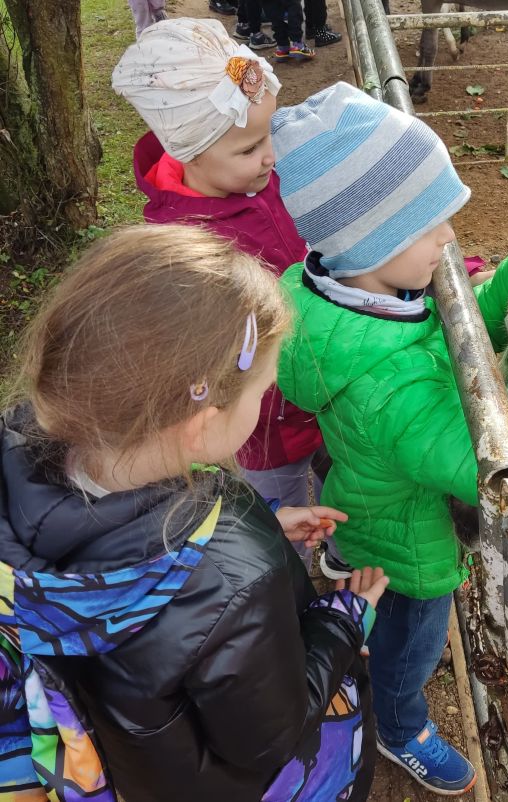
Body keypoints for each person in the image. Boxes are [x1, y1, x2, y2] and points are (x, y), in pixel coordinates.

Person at [273, 82, 508, 795]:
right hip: (417, 551)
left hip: (373, 497)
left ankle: (347, 575)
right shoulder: (389, 389)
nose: (451, 239)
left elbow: (439, 334)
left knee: (368, 568)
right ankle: (397, 725)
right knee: (411, 648)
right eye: (432, 227)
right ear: (376, 242)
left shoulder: (354, 298)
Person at [0, 224, 388, 802]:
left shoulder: (16, 449)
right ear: (202, 423)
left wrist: (258, 525)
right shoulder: (233, 576)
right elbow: (267, 740)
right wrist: (343, 620)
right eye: (262, 391)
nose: (265, 402)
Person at [112, 19, 324, 568]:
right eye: (251, 147)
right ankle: (288, 589)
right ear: (190, 153)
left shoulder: (261, 178)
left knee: (336, 483)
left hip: (324, 383)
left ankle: (333, 557)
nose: (271, 155)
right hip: (264, 417)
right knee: (277, 516)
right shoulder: (186, 250)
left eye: (268, 136)